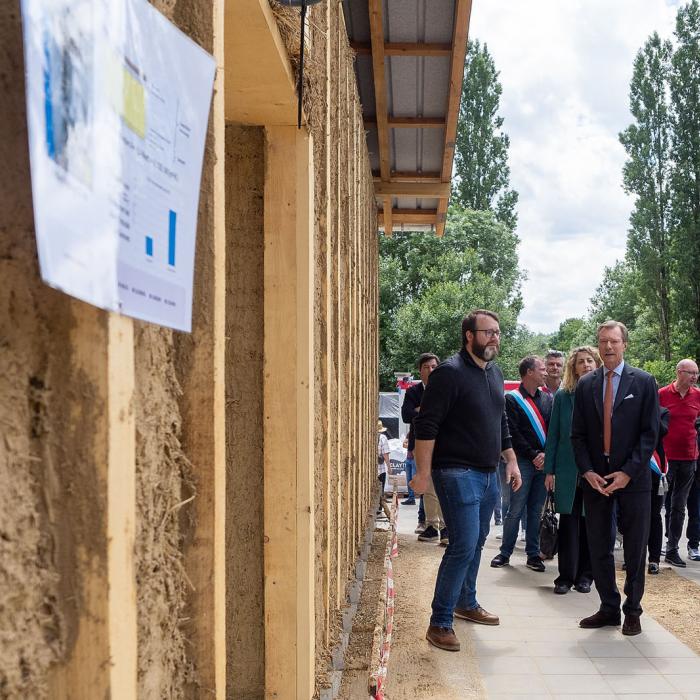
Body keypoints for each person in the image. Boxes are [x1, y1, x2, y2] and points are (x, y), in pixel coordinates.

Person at [410, 309, 521, 652]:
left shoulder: (495, 373)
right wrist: (422, 473)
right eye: (487, 332)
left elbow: (500, 421)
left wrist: (512, 461)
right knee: (462, 544)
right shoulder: (449, 373)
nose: (494, 338)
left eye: (497, 333)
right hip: (455, 471)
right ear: (469, 336)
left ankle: (466, 602)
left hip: (489, 473)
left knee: (476, 542)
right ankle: (439, 622)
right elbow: (426, 426)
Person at [571, 320, 660, 636]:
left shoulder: (644, 382)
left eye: (613, 341)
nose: (607, 347)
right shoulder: (586, 385)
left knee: (636, 547)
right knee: (599, 545)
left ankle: (632, 610)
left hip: (633, 480)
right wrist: (587, 471)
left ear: (624, 344)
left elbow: (650, 434)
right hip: (596, 479)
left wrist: (628, 472)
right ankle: (608, 607)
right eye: (602, 341)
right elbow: (577, 436)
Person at [544, 347, 600, 594]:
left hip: (596, 472)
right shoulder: (563, 397)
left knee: (591, 526)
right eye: (581, 362)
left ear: (597, 364)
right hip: (567, 472)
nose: (586, 365)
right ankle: (565, 577)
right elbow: (554, 436)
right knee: (568, 524)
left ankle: (586, 576)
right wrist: (549, 471)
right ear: (573, 367)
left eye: (590, 361)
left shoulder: (605, 394)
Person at [491, 356, 552, 572]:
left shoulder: (548, 399)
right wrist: (534, 454)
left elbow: (553, 431)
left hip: (543, 464)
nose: (546, 373)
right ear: (529, 372)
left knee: (536, 511)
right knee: (514, 510)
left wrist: (546, 455)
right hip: (523, 463)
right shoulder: (512, 400)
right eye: (542, 369)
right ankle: (505, 552)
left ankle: (533, 554)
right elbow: (512, 433)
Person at [658, 359, 700, 567]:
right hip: (664, 460)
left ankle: (673, 549)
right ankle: (653, 549)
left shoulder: (698, 396)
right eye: (691, 373)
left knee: (679, 506)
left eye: (696, 373)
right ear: (679, 372)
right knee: (655, 505)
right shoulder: (662, 394)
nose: (694, 377)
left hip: (689, 459)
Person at [401, 354, 444, 542]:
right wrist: (423, 411)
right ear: (420, 370)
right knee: (427, 486)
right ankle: (431, 526)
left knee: (443, 486)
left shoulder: (446, 389)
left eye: (434, 366)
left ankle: (446, 527)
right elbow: (406, 415)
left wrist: (420, 410)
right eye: (426, 367)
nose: (431, 370)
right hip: (420, 444)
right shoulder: (413, 392)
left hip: (443, 444)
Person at [377, 421, 391, 517]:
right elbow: (385, 454)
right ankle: (379, 508)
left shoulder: (367, 437)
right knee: (380, 489)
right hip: (380, 469)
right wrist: (389, 467)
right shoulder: (382, 438)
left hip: (370, 471)